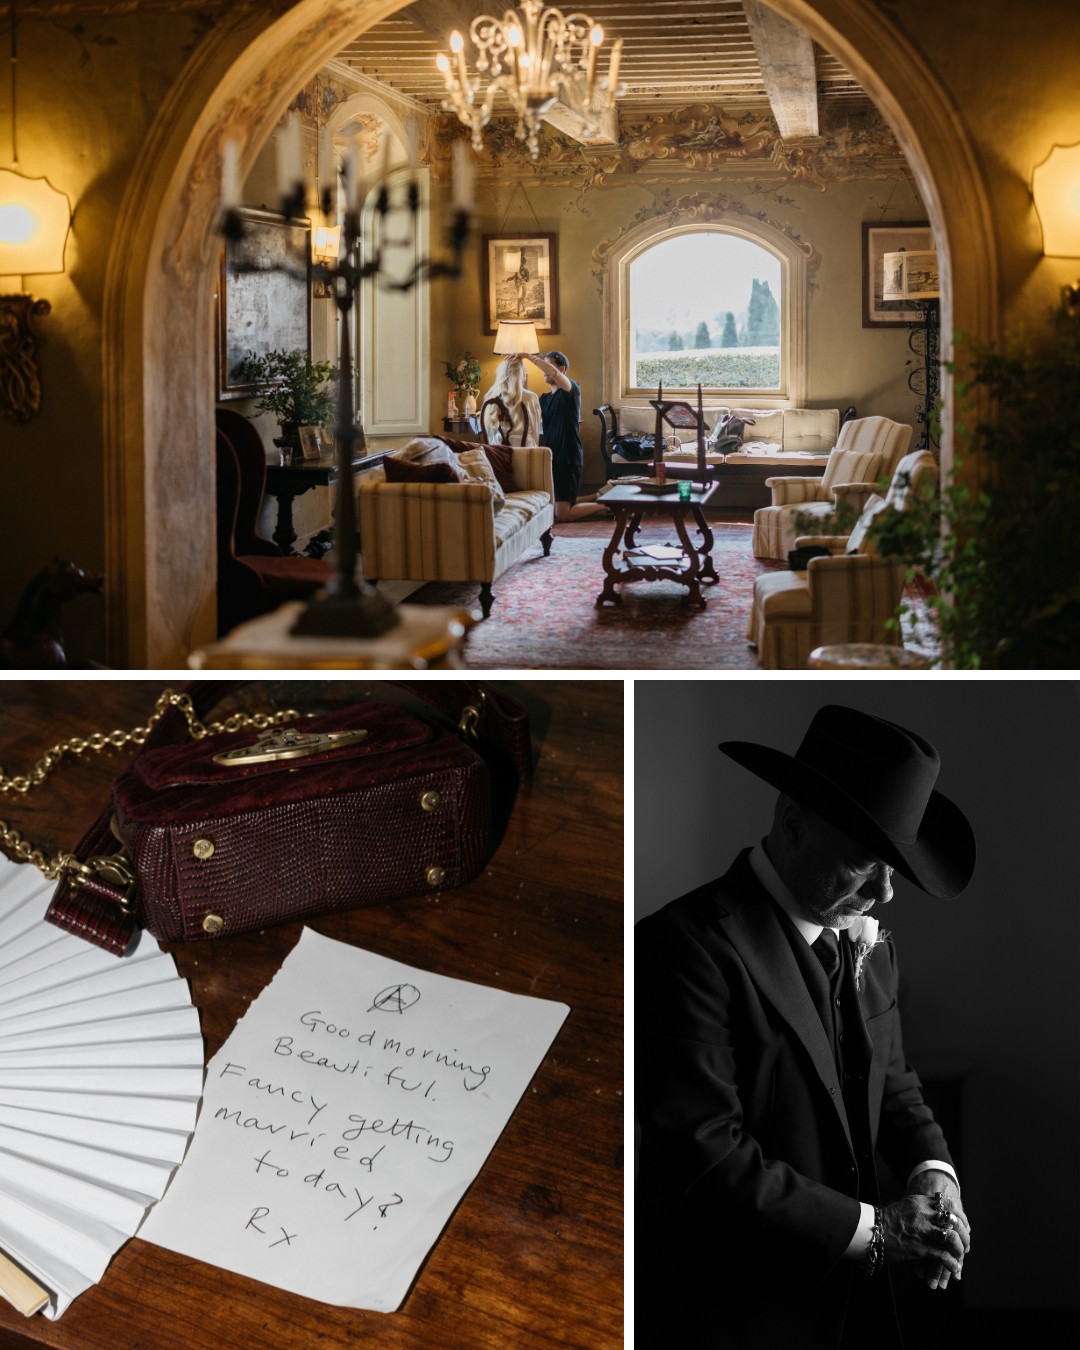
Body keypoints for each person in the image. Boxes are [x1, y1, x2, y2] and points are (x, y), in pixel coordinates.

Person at [636, 705, 975, 1350]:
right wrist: (878, 1233)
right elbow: (705, 1155)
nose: (885, 892)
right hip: (732, 1313)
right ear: (792, 825)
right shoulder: (682, 947)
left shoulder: (871, 945)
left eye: (894, 867)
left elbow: (894, 1082)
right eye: (863, 862)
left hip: (854, 1313)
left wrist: (935, 1173)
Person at [524, 351, 609, 522]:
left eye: (548, 366)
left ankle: (610, 505)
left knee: (561, 514)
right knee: (558, 503)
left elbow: (553, 373)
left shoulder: (571, 389)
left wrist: (528, 355)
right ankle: (602, 494)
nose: (544, 371)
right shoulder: (545, 398)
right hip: (553, 456)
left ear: (561, 369)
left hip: (568, 456)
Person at [478, 355, 542, 447]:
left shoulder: (490, 396)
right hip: (525, 451)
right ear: (522, 374)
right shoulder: (531, 397)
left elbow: (489, 431)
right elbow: (536, 430)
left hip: (498, 451)